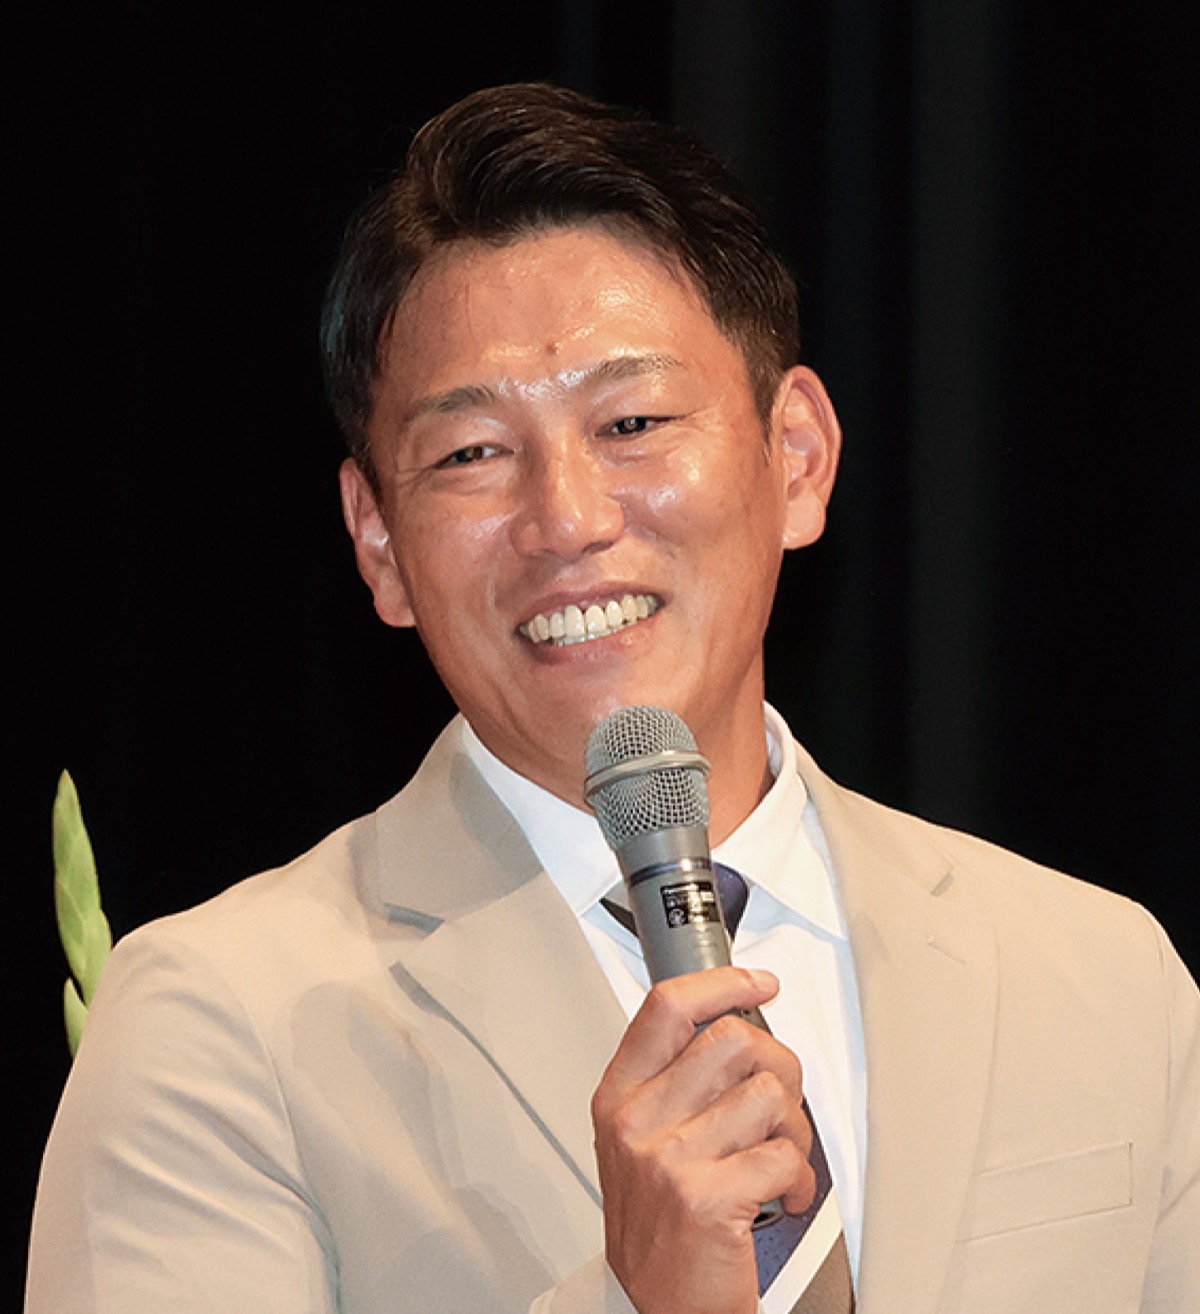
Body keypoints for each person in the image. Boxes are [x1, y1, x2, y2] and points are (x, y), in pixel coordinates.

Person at [25, 82, 1199, 1314]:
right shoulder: (220, 1026)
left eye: (632, 421)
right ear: (378, 543)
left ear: (797, 458)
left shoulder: (1092, 973)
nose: (568, 520)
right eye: (473, 453)